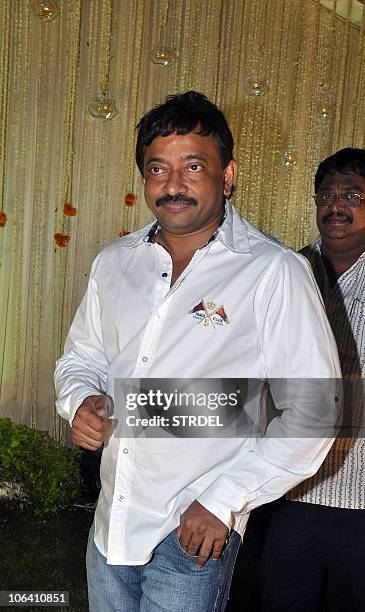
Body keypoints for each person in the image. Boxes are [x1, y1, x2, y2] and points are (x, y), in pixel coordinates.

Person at [55, 91, 340, 612]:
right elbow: (81, 360)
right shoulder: (115, 263)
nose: (173, 184)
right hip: (111, 522)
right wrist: (80, 401)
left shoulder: (272, 271)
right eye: (157, 169)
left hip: (194, 528)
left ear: (227, 175)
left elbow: (315, 408)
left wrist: (223, 501)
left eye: (193, 166)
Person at [261, 147, 365, 612]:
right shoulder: (288, 273)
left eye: (352, 195)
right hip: (291, 490)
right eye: (325, 195)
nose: (335, 206)